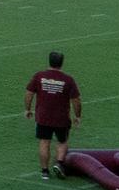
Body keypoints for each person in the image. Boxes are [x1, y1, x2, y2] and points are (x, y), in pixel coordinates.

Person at [28, 52, 81, 180]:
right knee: (62, 141)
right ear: (61, 63)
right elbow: (76, 100)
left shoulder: (39, 76)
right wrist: (78, 115)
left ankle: (45, 171)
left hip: (43, 116)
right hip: (61, 117)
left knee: (44, 142)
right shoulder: (68, 80)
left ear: (49, 61)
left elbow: (29, 93)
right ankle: (59, 163)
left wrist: (27, 109)